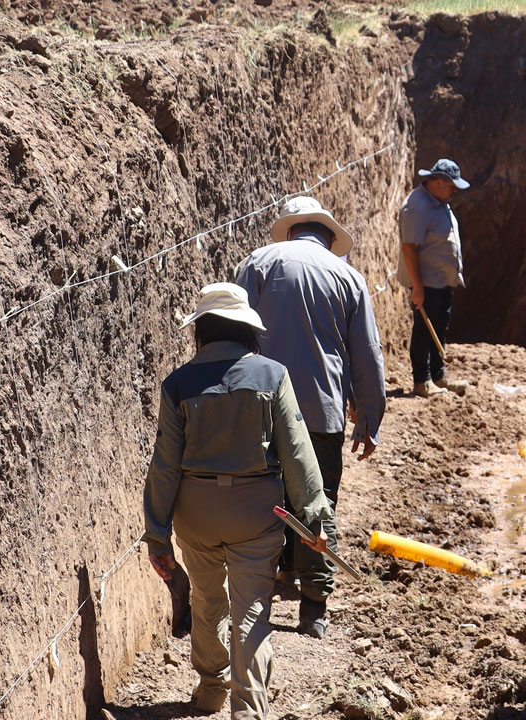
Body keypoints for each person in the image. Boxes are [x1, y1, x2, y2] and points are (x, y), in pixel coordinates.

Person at [142, 282, 331, 718]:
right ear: (247, 330)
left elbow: (165, 465)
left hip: (196, 515)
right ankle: (248, 710)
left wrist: (157, 534)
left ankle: (211, 689)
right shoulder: (273, 375)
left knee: (207, 600)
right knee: (251, 613)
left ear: (202, 330)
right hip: (256, 514)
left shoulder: (177, 384)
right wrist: (314, 518)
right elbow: (297, 453)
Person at [234, 196, 385, 640]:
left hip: (258, 407)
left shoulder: (257, 263)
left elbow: (232, 334)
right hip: (320, 410)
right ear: (330, 237)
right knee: (317, 502)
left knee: (264, 495)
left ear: (291, 230)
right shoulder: (349, 277)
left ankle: (260, 593)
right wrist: (369, 418)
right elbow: (367, 354)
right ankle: (313, 609)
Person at [397, 158, 470, 398]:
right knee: (423, 331)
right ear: (439, 183)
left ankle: (438, 376)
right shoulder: (417, 207)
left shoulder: (438, 201)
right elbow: (409, 248)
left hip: (442, 280)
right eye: (452, 186)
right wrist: (418, 286)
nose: (454, 191)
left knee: (439, 327)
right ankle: (422, 381)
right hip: (427, 282)